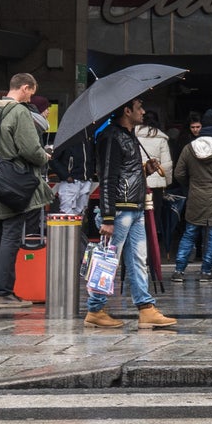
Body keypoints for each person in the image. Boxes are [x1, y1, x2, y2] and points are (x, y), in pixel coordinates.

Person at [86, 97, 177, 330]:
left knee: (137, 260)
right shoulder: (111, 138)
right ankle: (95, 309)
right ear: (127, 111)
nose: (144, 112)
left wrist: (144, 170)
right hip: (119, 210)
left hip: (134, 208)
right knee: (109, 261)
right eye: (139, 108)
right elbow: (107, 177)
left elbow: (125, 173)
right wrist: (107, 217)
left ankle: (146, 308)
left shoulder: (128, 136)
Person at [0, 72, 52, 308]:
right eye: (32, 91)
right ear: (25, 88)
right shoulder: (18, 111)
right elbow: (30, 149)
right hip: (12, 182)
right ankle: (4, 293)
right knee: (10, 235)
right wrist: (45, 156)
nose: (32, 97)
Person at [172, 109, 212, 278]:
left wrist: (191, 184)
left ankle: (179, 270)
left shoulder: (188, 149)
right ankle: (206, 271)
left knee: (189, 233)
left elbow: (178, 173)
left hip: (195, 198)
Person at [136, 108, 176, 260]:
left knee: (138, 218)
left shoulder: (134, 136)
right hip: (156, 186)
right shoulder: (161, 138)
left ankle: (139, 253)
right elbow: (166, 165)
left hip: (138, 182)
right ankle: (151, 254)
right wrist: (167, 182)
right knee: (153, 218)